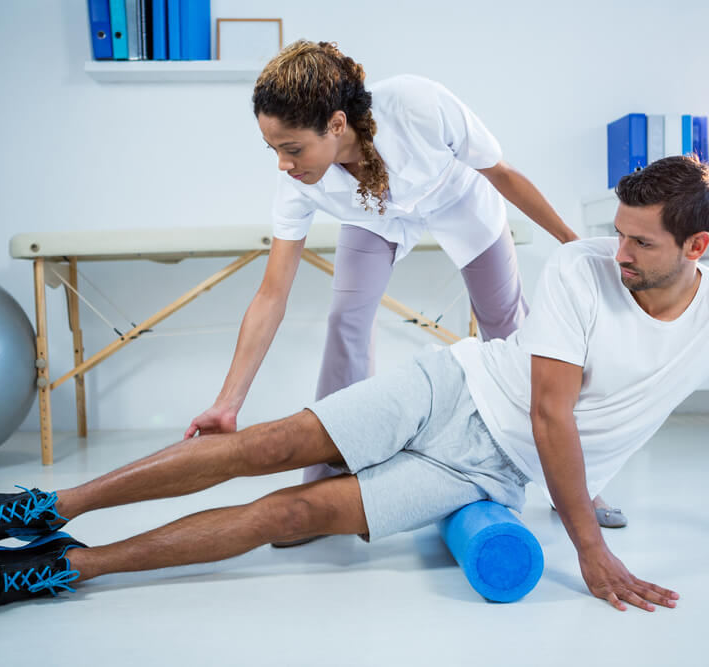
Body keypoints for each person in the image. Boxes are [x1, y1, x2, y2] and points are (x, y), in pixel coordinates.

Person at [0, 156, 709, 610]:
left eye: (641, 241)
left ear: (696, 248)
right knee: (264, 445)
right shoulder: (582, 268)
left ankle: (67, 566)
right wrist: (589, 548)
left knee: (292, 514)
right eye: (619, 231)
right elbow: (550, 412)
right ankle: (47, 504)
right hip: (450, 386)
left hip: (484, 474)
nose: (620, 251)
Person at [179, 41, 623, 530]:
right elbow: (271, 295)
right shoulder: (298, 183)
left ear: (336, 124)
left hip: (459, 200)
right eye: (274, 150)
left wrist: (572, 243)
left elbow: (501, 173)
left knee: (508, 329)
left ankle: (575, 484)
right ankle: (325, 480)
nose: (283, 164)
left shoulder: (417, 105)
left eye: (292, 148)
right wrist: (228, 404)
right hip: (374, 219)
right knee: (346, 322)